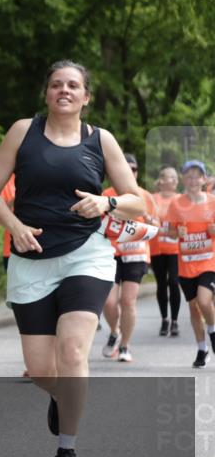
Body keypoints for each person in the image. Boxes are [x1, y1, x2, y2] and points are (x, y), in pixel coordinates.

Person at [0, 60, 145, 457]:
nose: (64, 91)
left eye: (74, 85)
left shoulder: (100, 140)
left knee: (73, 352)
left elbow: (136, 201)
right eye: (57, 84)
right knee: (41, 372)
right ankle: (61, 395)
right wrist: (12, 225)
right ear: (47, 93)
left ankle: (66, 450)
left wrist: (105, 203)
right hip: (30, 259)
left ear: (86, 97)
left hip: (85, 255)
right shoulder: (23, 132)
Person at [100, 153, 158, 362]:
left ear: (137, 172)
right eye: (126, 168)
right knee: (108, 302)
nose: (130, 172)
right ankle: (115, 332)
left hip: (136, 253)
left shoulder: (144, 195)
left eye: (133, 169)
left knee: (127, 301)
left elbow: (156, 226)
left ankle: (125, 345)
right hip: (111, 254)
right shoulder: (106, 194)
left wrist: (151, 221)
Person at [164, 160, 215, 368]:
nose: (193, 180)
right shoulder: (177, 204)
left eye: (197, 176)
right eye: (189, 176)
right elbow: (168, 230)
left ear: (204, 179)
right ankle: (202, 350)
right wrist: (178, 233)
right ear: (184, 180)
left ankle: (212, 332)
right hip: (186, 265)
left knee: (204, 301)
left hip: (209, 261)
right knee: (194, 308)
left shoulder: (212, 201)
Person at [151, 165, 182, 336]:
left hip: (175, 249)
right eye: (170, 176)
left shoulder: (181, 199)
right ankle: (165, 319)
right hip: (156, 248)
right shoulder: (152, 198)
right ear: (162, 180)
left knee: (174, 282)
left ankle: (175, 321)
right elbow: (146, 216)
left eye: (175, 177)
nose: (174, 179)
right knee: (161, 284)